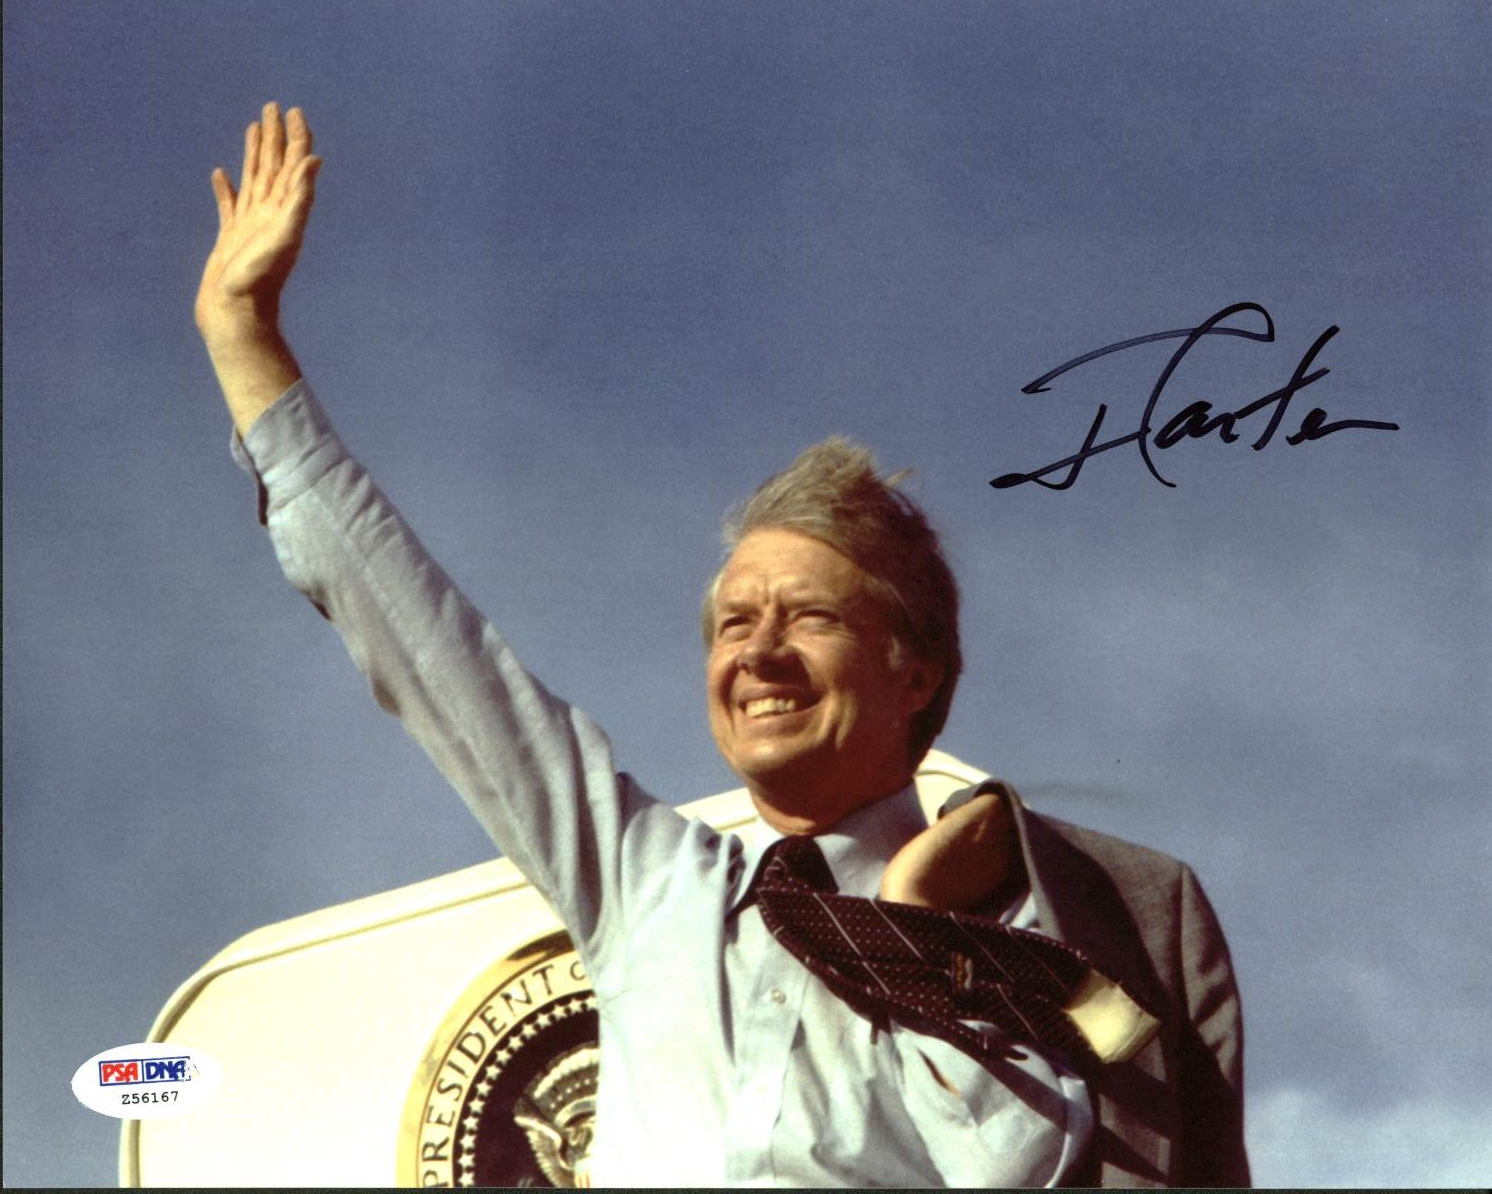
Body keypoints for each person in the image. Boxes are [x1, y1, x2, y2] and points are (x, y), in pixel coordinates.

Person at [196, 103, 1248, 1187]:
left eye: (812, 617)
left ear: (916, 670)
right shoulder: (649, 886)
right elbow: (433, 655)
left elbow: (1008, 1167)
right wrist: (244, 338)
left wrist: (912, 931)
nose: (761, 654)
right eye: (736, 622)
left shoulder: (1023, 919)